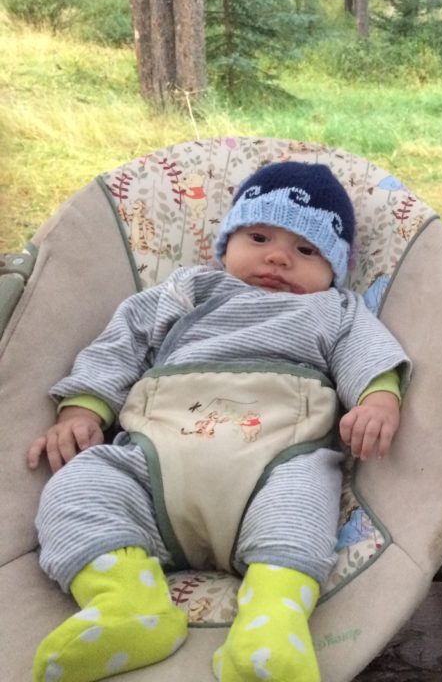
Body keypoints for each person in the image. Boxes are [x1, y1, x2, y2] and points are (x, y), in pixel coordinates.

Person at [26, 162, 410, 682]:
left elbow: (370, 355)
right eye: (258, 236)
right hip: (156, 454)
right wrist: (83, 408)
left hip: (274, 461)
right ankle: (127, 604)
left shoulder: (334, 311)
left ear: (333, 270)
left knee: (301, 514)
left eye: (306, 251)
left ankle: (270, 630)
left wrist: (379, 400)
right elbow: (121, 343)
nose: (278, 256)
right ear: (226, 243)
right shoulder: (189, 291)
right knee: (78, 486)